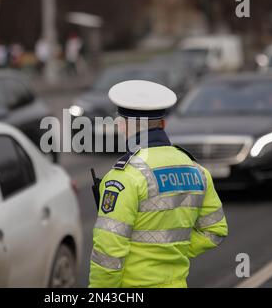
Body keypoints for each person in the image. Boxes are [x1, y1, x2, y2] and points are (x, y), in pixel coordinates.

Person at [89, 80, 228, 288]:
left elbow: (108, 250)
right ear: (162, 124)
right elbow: (215, 230)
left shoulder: (124, 177)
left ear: (122, 124)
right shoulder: (196, 170)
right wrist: (173, 249)